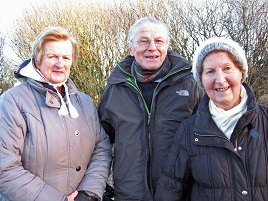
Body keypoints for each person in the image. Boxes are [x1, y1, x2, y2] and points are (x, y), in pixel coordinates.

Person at [97, 17, 204, 200]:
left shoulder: (191, 85)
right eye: (143, 41)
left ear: (166, 46)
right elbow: (99, 143)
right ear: (131, 49)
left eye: (159, 41)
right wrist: (98, 186)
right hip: (129, 194)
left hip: (180, 195)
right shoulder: (114, 89)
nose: (152, 47)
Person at [0, 26, 112, 201]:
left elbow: (101, 147)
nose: (60, 64)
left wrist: (88, 193)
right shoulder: (12, 101)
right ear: (37, 60)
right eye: (52, 56)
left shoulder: (84, 102)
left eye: (66, 57)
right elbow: (4, 167)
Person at [154, 37, 268, 200]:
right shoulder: (189, 131)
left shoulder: (265, 121)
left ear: (241, 72)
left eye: (227, 68)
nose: (220, 79)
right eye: (210, 71)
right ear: (201, 80)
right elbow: (170, 189)